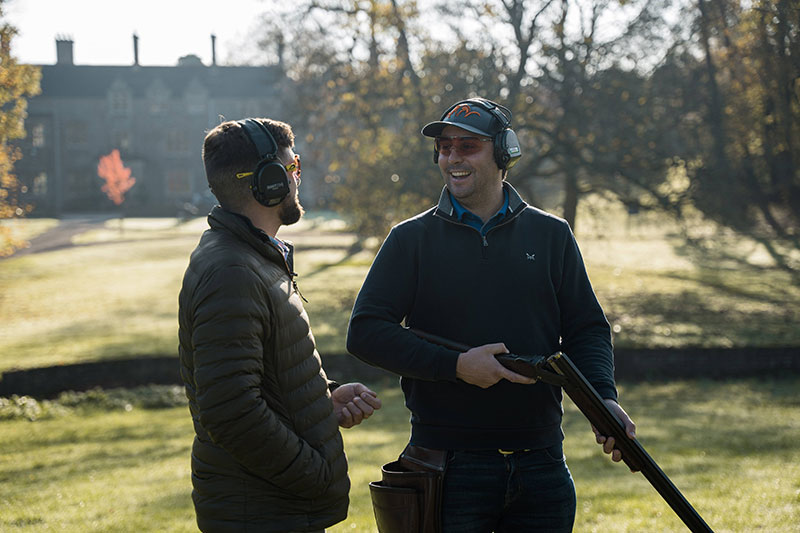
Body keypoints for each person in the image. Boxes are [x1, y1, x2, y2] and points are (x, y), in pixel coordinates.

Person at [346, 98, 635, 532]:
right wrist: (457, 366)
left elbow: (586, 329)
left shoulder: (552, 235)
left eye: (468, 146)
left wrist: (603, 399)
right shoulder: (410, 239)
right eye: (445, 148)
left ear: (504, 154)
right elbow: (365, 332)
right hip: (448, 467)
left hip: (542, 465)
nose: (452, 158)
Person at [179, 117, 382, 533]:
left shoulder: (250, 257)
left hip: (271, 508)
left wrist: (321, 402)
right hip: (263, 512)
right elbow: (232, 413)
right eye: (292, 168)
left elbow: (258, 380)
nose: (298, 177)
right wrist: (315, 473)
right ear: (268, 181)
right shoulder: (232, 271)